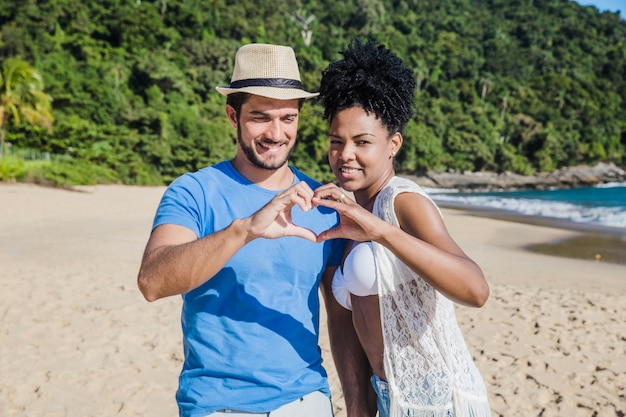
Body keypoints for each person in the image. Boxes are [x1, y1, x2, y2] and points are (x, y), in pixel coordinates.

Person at [136, 43, 351, 417]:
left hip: (307, 401)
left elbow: (341, 316)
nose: (276, 132)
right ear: (232, 116)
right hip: (216, 405)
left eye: (288, 118)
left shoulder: (321, 203)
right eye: (260, 117)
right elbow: (152, 282)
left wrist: (358, 405)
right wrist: (245, 230)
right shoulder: (194, 191)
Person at [312, 39, 493, 417]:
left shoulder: (402, 202)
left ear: (393, 143)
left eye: (362, 142)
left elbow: (475, 290)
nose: (345, 154)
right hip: (387, 396)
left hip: (437, 398)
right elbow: (346, 324)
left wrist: (381, 232)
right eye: (336, 141)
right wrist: (358, 408)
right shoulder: (343, 213)